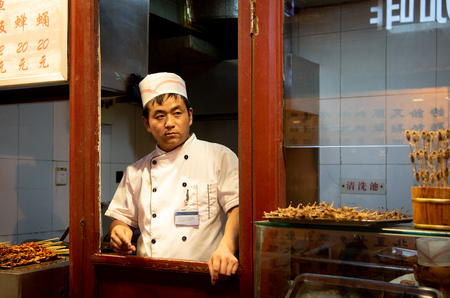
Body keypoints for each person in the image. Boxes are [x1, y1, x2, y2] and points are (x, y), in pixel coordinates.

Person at [105, 72, 239, 285]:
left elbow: (237, 209)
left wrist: (227, 247)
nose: (169, 123)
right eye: (159, 116)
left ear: (190, 116)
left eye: (177, 113)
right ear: (146, 123)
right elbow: (121, 220)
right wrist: (119, 232)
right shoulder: (135, 172)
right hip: (149, 281)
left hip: (205, 279)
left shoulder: (219, 157)